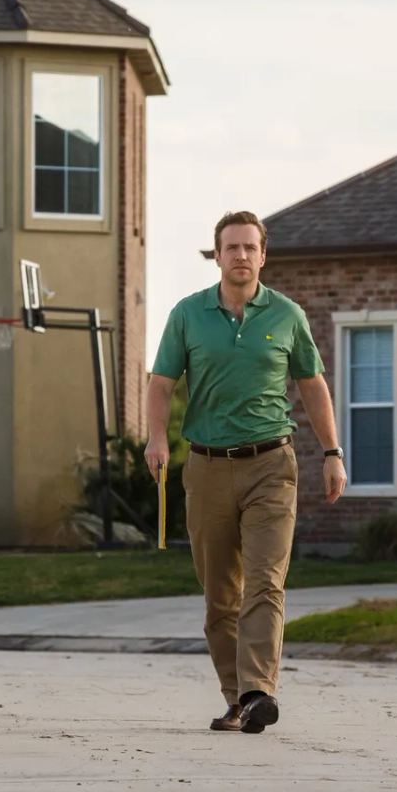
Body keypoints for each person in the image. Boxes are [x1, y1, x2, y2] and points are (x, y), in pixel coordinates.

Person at [145, 211, 346, 734]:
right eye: (230, 247)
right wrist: (157, 437)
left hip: (271, 464)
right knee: (219, 598)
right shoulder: (188, 314)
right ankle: (237, 699)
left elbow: (312, 384)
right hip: (208, 466)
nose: (240, 255)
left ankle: (259, 690)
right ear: (217, 256)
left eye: (249, 247)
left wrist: (332, 452)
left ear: (263, 255)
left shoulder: (287, 314)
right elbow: (162, 381)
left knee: (265, 582)